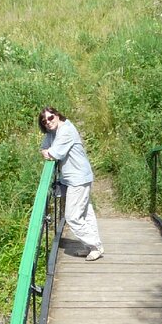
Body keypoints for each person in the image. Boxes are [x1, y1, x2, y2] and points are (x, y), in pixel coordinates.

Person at [38, 106, 103, 261]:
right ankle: (90, 247)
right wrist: (47, 151)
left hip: (78, 178)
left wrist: (49, 152)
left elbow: (53, 153)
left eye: (50, 117)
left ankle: (96, 245)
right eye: (44, 121)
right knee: (86, 214)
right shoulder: (53, 132)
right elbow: (44, 148)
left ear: (58, 115)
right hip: (74, 178)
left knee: (72, 216)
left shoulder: (66, 130)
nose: (48, 122)